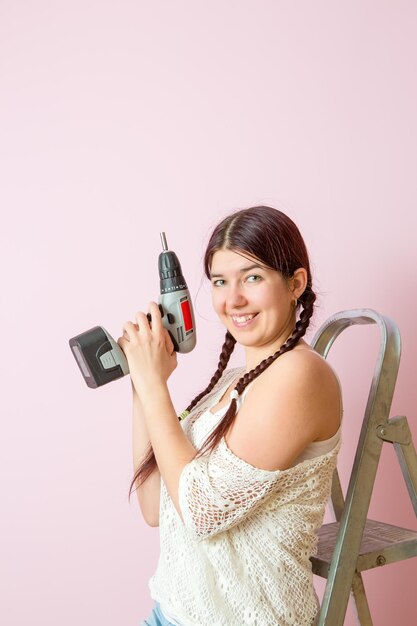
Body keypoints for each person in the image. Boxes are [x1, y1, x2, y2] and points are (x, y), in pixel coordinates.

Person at [117, 205, 342, 626]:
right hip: (170, 613)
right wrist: (142, 382)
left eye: (252, 277)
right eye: (220, 281)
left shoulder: (300, 376)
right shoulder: (234, 382)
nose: (233, 299)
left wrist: (153, 387)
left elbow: (201, 514)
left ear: (296, 283)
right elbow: (155, 507)